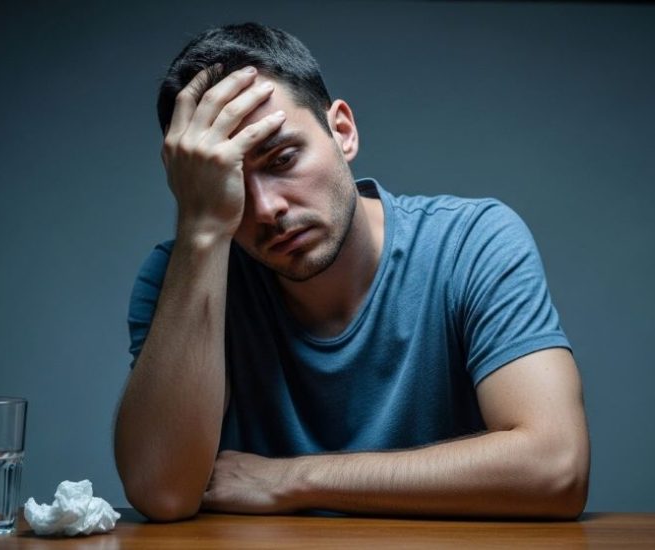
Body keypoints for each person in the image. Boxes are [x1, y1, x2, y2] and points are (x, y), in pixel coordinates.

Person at [114, 22, 590, 522]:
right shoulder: (181, 272)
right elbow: (163, 492)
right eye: (226, 183)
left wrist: (293, 480)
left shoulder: (472, 243)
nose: (267, 208)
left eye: (283, 159)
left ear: (341, 131)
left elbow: (555, 468)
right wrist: (202, 229)